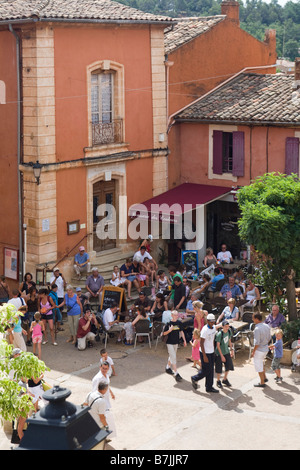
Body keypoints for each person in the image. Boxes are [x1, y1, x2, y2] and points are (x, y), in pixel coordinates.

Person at [191, 313, 219, 393]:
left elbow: (213, 340)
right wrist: (204, 356)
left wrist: (214, 350)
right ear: (207, 321)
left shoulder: (213, 329)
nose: (212, 323)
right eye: (210, 321)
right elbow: (202, 343)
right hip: (205, 352)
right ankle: (195, 378)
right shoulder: (204, 330)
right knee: (206, 370)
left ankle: (209, 387)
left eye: (213, 321)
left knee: (211, 370)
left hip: (211, 352)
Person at [91, 361, 116, 438]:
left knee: (106, 418)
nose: (104, 370)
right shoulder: (97, 379)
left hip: (106, 401)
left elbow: (107, 385)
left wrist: (111, 393)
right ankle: (102, 436)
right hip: (100, 402)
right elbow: (94, 392)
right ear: (100, 367)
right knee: (102, 419)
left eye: (106, 369)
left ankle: (106, 436)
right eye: (103, 368)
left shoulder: (107, 375)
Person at [163, 310, 187, 382]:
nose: (176, 316)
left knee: (172, 355)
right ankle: (176, 373)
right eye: (175, 315)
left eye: (177, 315)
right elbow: (164, 333)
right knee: (173, 356)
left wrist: (184, 340)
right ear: (171, 315)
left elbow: (181, 331)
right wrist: (169, 330)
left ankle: (167, 367)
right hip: (169, 342)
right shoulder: (168, 324)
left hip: (176, 342)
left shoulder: (179, 323)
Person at [251, 312, 272, 388]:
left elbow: (256, 343)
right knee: (261, 363)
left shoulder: (257, 329)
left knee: (258, 366)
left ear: (256, 319)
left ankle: (262, 382)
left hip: (259, 350)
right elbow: (269, 338)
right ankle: (265, 377)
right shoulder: (267, 326)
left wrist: (253, 352)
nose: (252, 319)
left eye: (253, 318)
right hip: (265, 349)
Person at [215, 320, 234, 388]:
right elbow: (218, 345)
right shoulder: (220, 334)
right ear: (222, 326)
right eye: (225, 326)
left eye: (228, 326)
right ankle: (218, 380)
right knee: (219, 368)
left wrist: (231, 350)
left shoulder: (229, 332)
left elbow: (229, 341)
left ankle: (225, 379)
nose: (227, 328)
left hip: (226, 351)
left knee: (228, 365)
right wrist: (221, 355)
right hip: (220, 353)